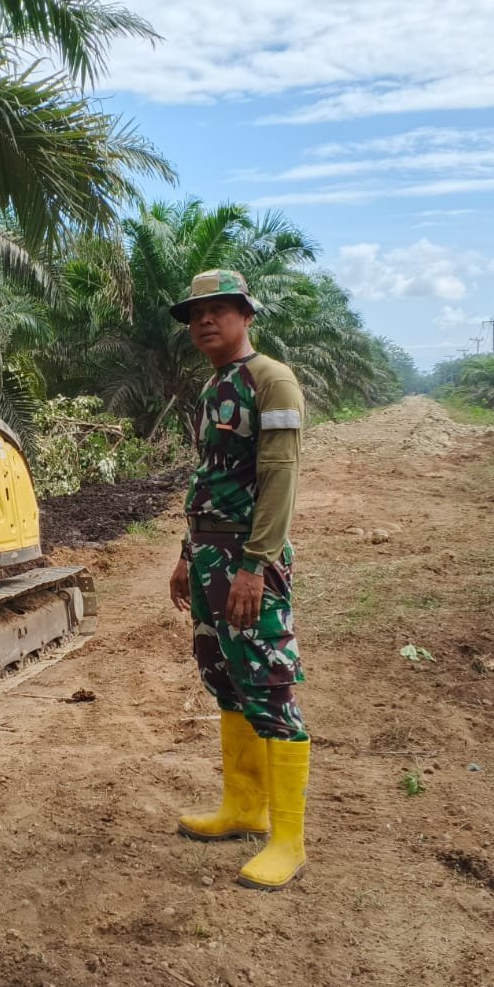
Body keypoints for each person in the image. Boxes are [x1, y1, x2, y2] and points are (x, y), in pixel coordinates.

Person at [166, 269, 309, 891]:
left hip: (247, 557)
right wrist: (185, 553)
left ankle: (289, 841)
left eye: (219, 309)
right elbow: (209, 474)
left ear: (246, 315)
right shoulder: (214, 385)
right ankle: (245, 808)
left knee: (269, 684)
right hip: (208, 553)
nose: (204, 320)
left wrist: (255, 565)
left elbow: (280, 476)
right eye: (196, 313)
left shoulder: (271, 380)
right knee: (226, 678)